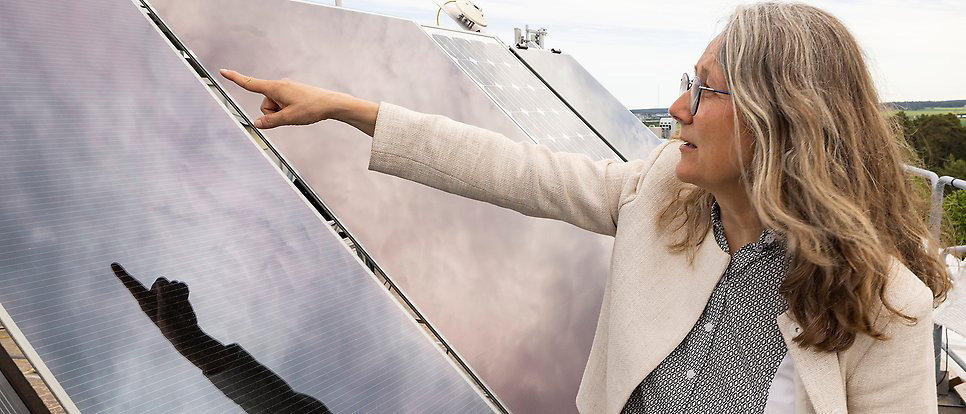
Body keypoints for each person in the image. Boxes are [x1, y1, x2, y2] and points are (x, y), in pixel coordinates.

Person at [218, 2, 950, 412]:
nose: (677, 109)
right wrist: (348, 108)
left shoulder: (887, 309)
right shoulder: (660, 193)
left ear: (780, 118)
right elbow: (514, 169)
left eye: (705, 90)